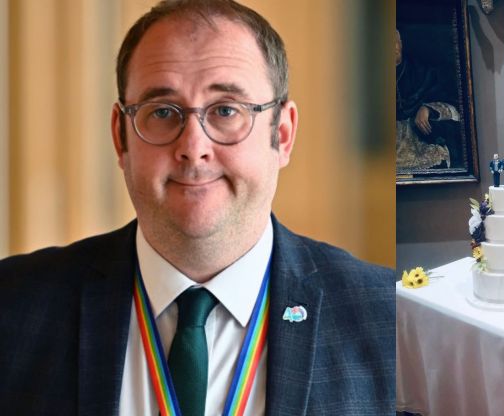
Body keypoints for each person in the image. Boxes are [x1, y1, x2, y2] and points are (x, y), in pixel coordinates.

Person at [0, 1, 395, 415]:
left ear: (282, 133)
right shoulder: (12, 310)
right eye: (163, 112)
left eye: (226, 110)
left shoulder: (387, 320)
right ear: (120, 137)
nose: (193, 148)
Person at [396, 28, 460, 170]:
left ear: (401, 44)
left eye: (395, 42)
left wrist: (428, 108)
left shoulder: (422, 71)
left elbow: (452, 103)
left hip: (417, 139)